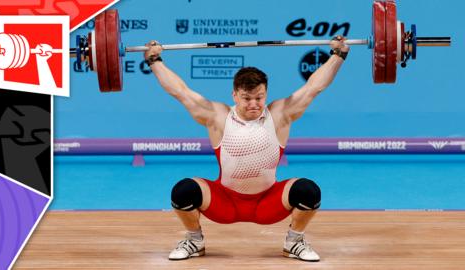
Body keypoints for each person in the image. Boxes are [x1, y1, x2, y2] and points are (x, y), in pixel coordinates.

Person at [144, 36, 350, 262]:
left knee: (308, 191)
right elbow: (180, 91)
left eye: (259, 97)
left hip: (268, 202)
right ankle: (194, 239)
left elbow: (314, 87)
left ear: (266, 94)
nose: (254, 103)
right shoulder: (218, 117)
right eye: (247, 98)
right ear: (234, 95)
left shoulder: (280, 115)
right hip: (224, 202)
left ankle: (294, 241)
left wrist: (338, 55)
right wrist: (155, 60)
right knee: (183, 191)